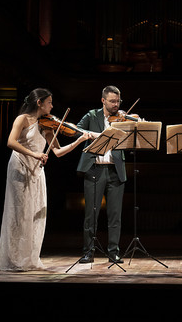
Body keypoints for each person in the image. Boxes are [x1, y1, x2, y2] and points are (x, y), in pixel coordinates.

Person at [0, 88, 90, 271]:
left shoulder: (46, 125)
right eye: (49, 102)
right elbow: (11, 142)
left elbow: (58, 152)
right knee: (18, 214)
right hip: (20, 167)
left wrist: (79, 141)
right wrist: (35, 154)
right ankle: (14, 259)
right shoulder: (22, 119)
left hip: (36, 171)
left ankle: (28, 258)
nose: (52, 106)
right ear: (39, 102)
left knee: (35, 214)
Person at [76, 85, 127, 264]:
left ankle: (113, 252)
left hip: (115, 170)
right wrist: (90, 135)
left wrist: (129, 123)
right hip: (95, 169)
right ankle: (88, 251)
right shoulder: (92, 116)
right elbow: (76, 130)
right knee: (91, 213)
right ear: (103, 100)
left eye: (118, 101)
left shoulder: (122, 119)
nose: (116, 104)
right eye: (112, 101)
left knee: (115, 215)